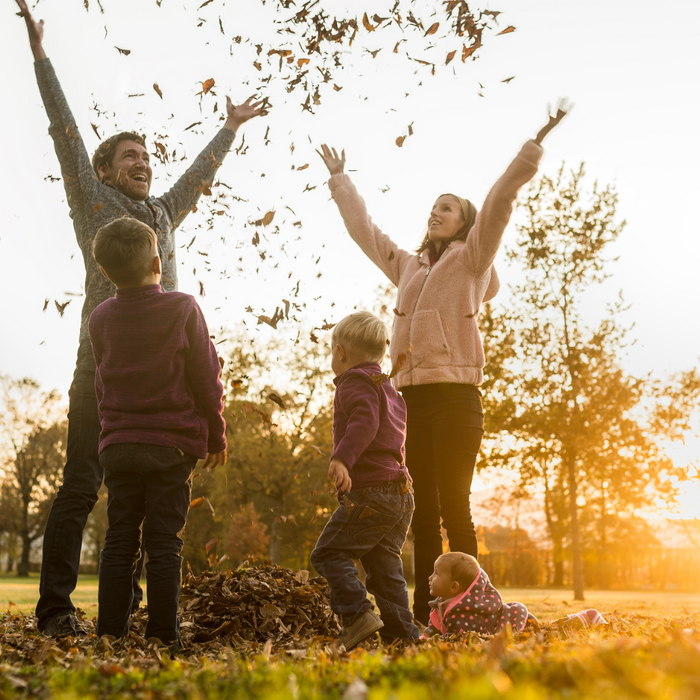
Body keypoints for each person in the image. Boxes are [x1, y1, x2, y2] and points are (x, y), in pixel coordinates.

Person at [14, 0, 264, 636]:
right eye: (130, 156)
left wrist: (230, 127)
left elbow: (198, 177)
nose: (143, 163)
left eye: (147, 156)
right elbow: (64, 129)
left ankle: (140, 617)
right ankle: (55, 609)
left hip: (165, 382)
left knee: (154, 506)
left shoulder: (162, 215)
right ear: (101, 171)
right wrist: (41, 54)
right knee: (81, 487)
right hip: (100, 371)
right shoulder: (92, 201)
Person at [316, 102, 569, 624]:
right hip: (411, 400)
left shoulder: (473, 258)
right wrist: (341, 181)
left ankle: (472, 608)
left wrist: (534, 143)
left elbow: (500, 200)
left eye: (447, 208)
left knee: (456, 504)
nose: (436, 212)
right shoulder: (409, 266)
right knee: (422, 514)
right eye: (433, 207)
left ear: (466, 224)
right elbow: (366, 232)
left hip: (456, 399)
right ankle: (424, 616)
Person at [89, 217, 227, 650]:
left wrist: (111, 432)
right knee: (163, 542)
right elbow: (206, 378)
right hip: (171, 444)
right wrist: (217, 434)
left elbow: (101, 382)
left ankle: (109, 632)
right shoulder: (183, 307)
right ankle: (162, 636)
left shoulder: (100, 317)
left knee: (120, 538)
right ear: (158, 263)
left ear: (105, 272)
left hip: (119, 445)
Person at [310, 311, 420, 650]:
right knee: (385, 567)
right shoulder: (391, 390)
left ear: (340, 353)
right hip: (400, 493)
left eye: (332, 353)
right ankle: (402, 635)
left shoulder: (353, 382)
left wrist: (343, 458)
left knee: (328, 553)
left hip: (373, 492)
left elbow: (364, 423)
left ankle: (357, 614)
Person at [420, 551, 606, 638]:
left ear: (454, 587)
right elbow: (433, 629)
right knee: (547, 630)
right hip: (506, 624)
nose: (430, 577)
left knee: (548, 633)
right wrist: (424, 639)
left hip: (517, 624)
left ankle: (587, 616)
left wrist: (434, 641)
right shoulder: (442, 605)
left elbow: (459, 639)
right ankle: (582, 617)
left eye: (436, 573)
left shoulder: (463, 613)